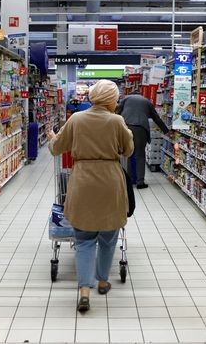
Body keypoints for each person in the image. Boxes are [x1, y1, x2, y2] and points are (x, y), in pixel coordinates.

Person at [47, 79, 133, 313]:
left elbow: (57, 148)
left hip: (82, 180)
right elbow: (128, 150)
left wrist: (52, 136)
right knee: (108, 238)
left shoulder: (76, 119)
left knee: (84, 240)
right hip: (110, 181)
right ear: (111, 99)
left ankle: (84, 290)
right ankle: (103, 281)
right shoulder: (117, 121)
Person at [117, 92, 170, 189]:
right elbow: (156, 118)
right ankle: (140, 182)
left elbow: (116, 112)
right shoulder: (147, 101)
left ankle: (128, 181)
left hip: (126, 127)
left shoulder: (125, 99)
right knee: (140, 155)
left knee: (127, 154)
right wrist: (166, 130)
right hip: (140, 129)